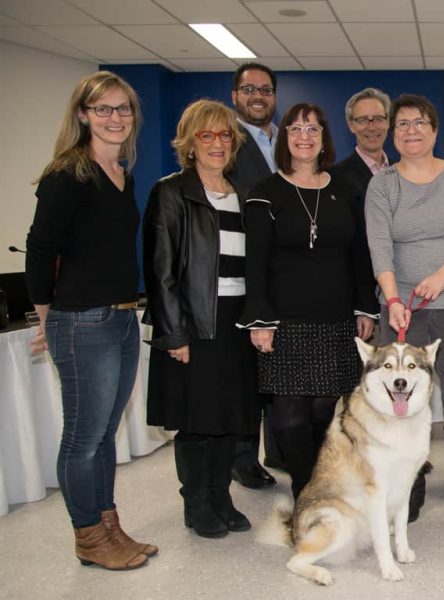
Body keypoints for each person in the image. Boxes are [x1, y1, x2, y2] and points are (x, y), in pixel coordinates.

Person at [25, 71, 153, 570]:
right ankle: (88, 536)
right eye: (103, 109)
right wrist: (45, 320)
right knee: (83, 437)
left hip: (121, 317)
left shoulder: (121, 173)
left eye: (123, 109)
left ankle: (108, 525)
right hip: (80, 321)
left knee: (103, 434)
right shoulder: (67, 174)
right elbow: (40, 250)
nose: (115, 118)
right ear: (83, 115)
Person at [237, 103, 377, 499]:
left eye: (312, 129)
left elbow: (359, 255)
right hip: (285, 322)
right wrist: (260, 320)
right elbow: (256, 262)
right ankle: (303, 487)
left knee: (323, 409)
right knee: (290, 413)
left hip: (335, 319)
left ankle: (320, 478)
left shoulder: (345, 190)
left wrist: (364, 307)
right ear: (285, 139)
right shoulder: (265, 192)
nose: (304, 136)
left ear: (323, 138)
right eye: (296, 129)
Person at [366, 94, 444, 518]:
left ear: (434, 130)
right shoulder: (383, 183)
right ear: (392, 133)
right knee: (403, 395)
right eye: (402, 124)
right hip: (402, 311)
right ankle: (411, 482)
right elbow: (379, 247)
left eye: (420, 122)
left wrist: (442, 275)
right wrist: (394, 299)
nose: (411, 130)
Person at [144, 99, 260, 539]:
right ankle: (197, 503)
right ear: (190, 143)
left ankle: (221, 496)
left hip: (236, 322)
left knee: (230, 416)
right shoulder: (172, 192)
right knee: (196, 420)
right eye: (206, 135)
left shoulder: (242, 195)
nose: (216, 143)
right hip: (194, 323)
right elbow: (160, 271)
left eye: (224, 135)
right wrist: (174, 333)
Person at [229, 62, 281, 489]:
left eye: (265, 89)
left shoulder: (287, 140)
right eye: (249, 89)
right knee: (246, 376)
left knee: (278, 369)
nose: (257, 96)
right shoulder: (227, 142)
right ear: (235, 96)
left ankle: (279, 449)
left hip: (286, 273)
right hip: (245, 271)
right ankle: (243, 458)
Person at [333, 87, 392, 196]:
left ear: (387, 122)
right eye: (363, 120)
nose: (371, 128)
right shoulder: (336, 177)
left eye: (378, 119)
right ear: (351, 125)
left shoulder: (402, 171)